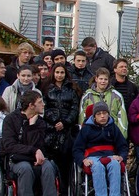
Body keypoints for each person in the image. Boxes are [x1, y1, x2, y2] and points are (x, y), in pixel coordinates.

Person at [1, 91, 56, 196]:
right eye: (40, 102)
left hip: (36, 159)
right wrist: (34, 150)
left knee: (48, 167)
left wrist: (32, 127)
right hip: (17, 159)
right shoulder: (11, 119)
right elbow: (9, 145)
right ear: (31, 105)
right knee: (25, 168)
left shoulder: (40, 122)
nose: (43, 104)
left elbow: (40, 145)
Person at [41, 63, 81, 193]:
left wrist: (64, 122)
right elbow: (44, 107)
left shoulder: (72, 89)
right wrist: (54, 121)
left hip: (67, 131)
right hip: (50, 130)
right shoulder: (46, 88)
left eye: (62, 72)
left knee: (65, 166)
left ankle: (65, 191)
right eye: (57, 72)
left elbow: (75, 108)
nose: (59, 75)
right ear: (53, 73)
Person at [73, 101, 128, 196]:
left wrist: (121, 157)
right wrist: (83, 160)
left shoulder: (113, 127)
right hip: (93, 157)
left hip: (110, 155)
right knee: (97, 167)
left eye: (105, 113)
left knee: (115, 165)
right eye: (99, 114)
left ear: (108, 114)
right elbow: (77, 149)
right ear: (94, 116)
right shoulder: (86, 129)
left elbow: (123, 146)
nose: (102, 116)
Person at [79, 68, 128, 138]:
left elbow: (122, 118)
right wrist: (84, 136)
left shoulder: (117, 95)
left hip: (112, 134)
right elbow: (82, 117)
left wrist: (121, 137)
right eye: (101, 79)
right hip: (92, 135)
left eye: (105, 79)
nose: (103, 81)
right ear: (96, 79)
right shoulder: (87, 95)